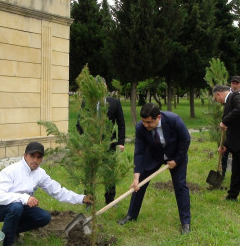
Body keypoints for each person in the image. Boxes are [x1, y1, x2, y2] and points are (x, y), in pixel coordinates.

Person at [0, 141, 93, 246]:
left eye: (39, 157)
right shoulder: (11, 171)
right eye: (32, 156)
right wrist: (24, 198)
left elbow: (58, 191)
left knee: (44, 217)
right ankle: (8, 242)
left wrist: (82, 198)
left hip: (21, 207)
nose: (35, 160)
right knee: (16, 207)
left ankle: (10, 231)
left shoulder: (39, 173)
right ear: (25, 155)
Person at [117, 103, 191, 235]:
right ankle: (131, 215)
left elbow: (185, 140)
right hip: (153, 156)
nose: (146, 125)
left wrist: (176, 161)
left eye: (149, 122)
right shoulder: (140, 127)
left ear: (158, 117)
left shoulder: (174, 120)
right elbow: (139, 151)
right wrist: (136, 176)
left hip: (175, 155)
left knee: (180, 186)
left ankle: (185, 223)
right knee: (138, 185)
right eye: (143, 121)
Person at [76, 77, 125, 204]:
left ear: (106, 87)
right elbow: (79, 123)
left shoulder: (115, 102)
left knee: (109, 172)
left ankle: (110, 200)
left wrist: (121, 142)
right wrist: (82, 144)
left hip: (108, 143)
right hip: (90, 143)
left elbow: (121, 124)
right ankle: (89, 200)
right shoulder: (86, 102)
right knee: (90, 173)